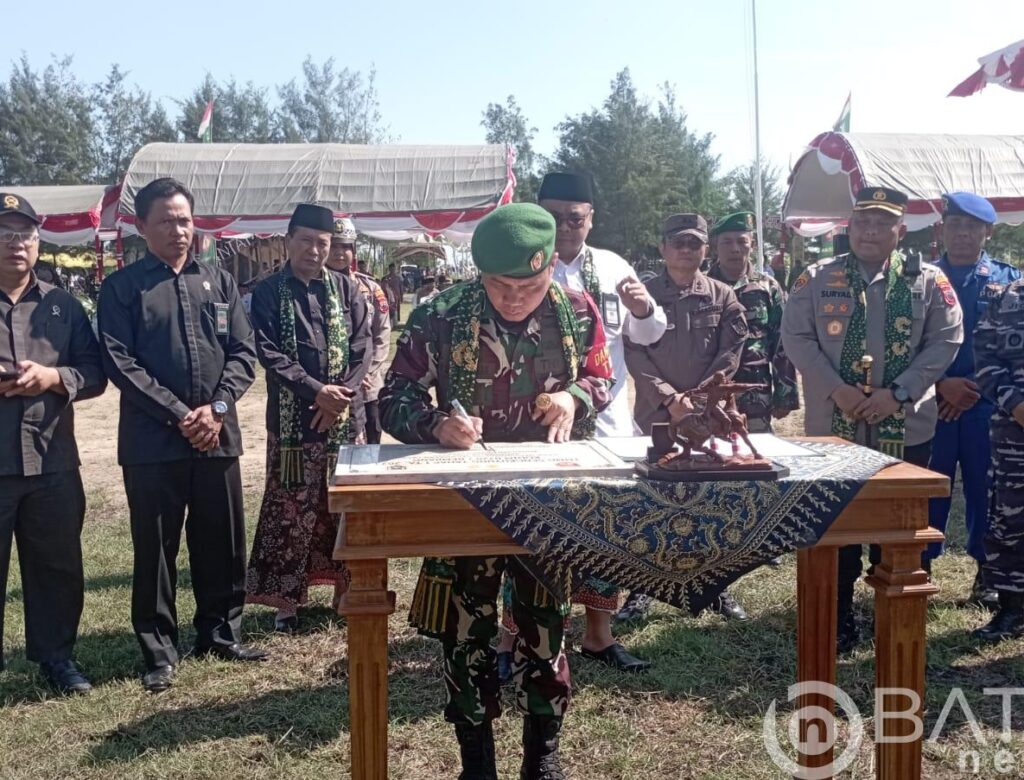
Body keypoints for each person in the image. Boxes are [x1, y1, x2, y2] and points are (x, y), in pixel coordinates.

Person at [379, 203, 613, 780]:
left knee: (547, 627)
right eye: (499, 285)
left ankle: (543, 756)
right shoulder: (441, 314)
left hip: (548, 502)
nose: (513, 299)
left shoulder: (577, 311)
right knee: (468, 633)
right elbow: (391, 398)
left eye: (529, 285)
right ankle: (476, 762)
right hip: (469, 504)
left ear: (551, 267)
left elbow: (601, 377)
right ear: (478, 274)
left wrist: (575, 398)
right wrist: (436, 424)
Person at [98, 178, 264, 694]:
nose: (178, 230)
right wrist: (179, 415)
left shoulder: (219, 282)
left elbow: (244, 352)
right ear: (142, 226)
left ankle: (220, 632)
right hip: (153, 444)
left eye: (185, 219)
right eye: (167, 220)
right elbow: (119, 363)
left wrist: (215, 411)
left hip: (218, 436)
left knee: (223, 541)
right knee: (156, 548)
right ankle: (159, 650)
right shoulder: (123, 288)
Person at [781, 186, 963, 652]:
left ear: (901, 231)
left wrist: (898, 393)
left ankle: (896, 619)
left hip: (904, 426)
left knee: (900, 530)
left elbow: (946, 339)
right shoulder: (817, 277)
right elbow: (797, 337)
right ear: (849, 226)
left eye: (883, 223)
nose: (871, 231)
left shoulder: (929, 282)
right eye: (863, 221)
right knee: (836, 527)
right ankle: (838, 619)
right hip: (833, 429)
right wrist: (837, 389)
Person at [498, 171, 666, 673]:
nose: (566, 228)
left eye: (576, 218)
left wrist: (643, 308)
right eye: (554, 218)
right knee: (528, 531)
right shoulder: (521, 264)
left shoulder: (613, 266)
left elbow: (649, 333)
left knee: (604, 531)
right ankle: (510, 640)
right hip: (537, 427)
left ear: (592, 219)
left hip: (606, 422)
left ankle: (598, 634)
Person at [618, 213, 750, 623]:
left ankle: (718, 588)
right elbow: (634, 352)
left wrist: (704, 398)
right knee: (649, 500)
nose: (686, 250)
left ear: (705, 250)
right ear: (662, 248)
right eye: (678, 242)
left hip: (710, 414)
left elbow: (732, 350)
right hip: (658, 415)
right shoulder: (643, 297)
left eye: (695, 243)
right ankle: (642, 589)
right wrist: (671, 399)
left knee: (715, 501)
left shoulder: (723, 296)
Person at [246, 206, 371, 633]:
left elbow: (363, 347)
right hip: (294, 424)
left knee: (344, 506)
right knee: (291, 508)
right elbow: (267, 352)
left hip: (343, 420)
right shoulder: (267, 292)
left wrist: (340, 395)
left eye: (323, 243)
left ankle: (344, 591)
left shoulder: (346, 289)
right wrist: (316, 391)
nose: (315, 250)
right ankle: (286, 603)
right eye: (306, 240)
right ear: (288, 240)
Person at [0, 193, 106, 694]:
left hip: (51, 460)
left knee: (57, 567)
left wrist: (53, 377)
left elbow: (96, 372)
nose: (14, 243)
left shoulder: (64, 306)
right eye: (4, 233)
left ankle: (56, 659)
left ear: (38, 243)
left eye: (23, 234)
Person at [926, 193, 1018, 607]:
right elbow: (906, 342)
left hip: (987, 407)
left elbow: (1008, 350)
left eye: (972, 227)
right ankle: (919, 567)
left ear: (987, 232)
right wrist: (943, 383)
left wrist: (974, 388)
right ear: (942, 228)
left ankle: (989, 575)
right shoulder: (920, 278)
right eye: (955, 225)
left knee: (988, 492)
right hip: (932, 402)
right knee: (928, 487)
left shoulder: (1008, 280)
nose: (962, 234)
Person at [707, 211, 799, 433]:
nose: (735, 249)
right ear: (715, 246)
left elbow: (782, 342)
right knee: (708, 454)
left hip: (756, 393)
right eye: (727, 242)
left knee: (755, 454)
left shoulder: (767, 287)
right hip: (709, 391)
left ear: (753, 245)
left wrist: (785, 394)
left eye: (742, 242)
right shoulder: (702, 287)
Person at [974, 276, 1024, 641]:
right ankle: (1012, 608)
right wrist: (1016, 405)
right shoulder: (1006, 297)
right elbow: (986, 359)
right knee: (1011, 515)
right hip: (1014, 429)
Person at [326, 217, 391, 444]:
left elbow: (382, 335)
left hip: (368, 385)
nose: (339, 253)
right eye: (334, 245)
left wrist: (367, 373)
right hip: (332, 385)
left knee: (372, 441)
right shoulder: (313, 287)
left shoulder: (370, 288)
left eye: (346, 246)